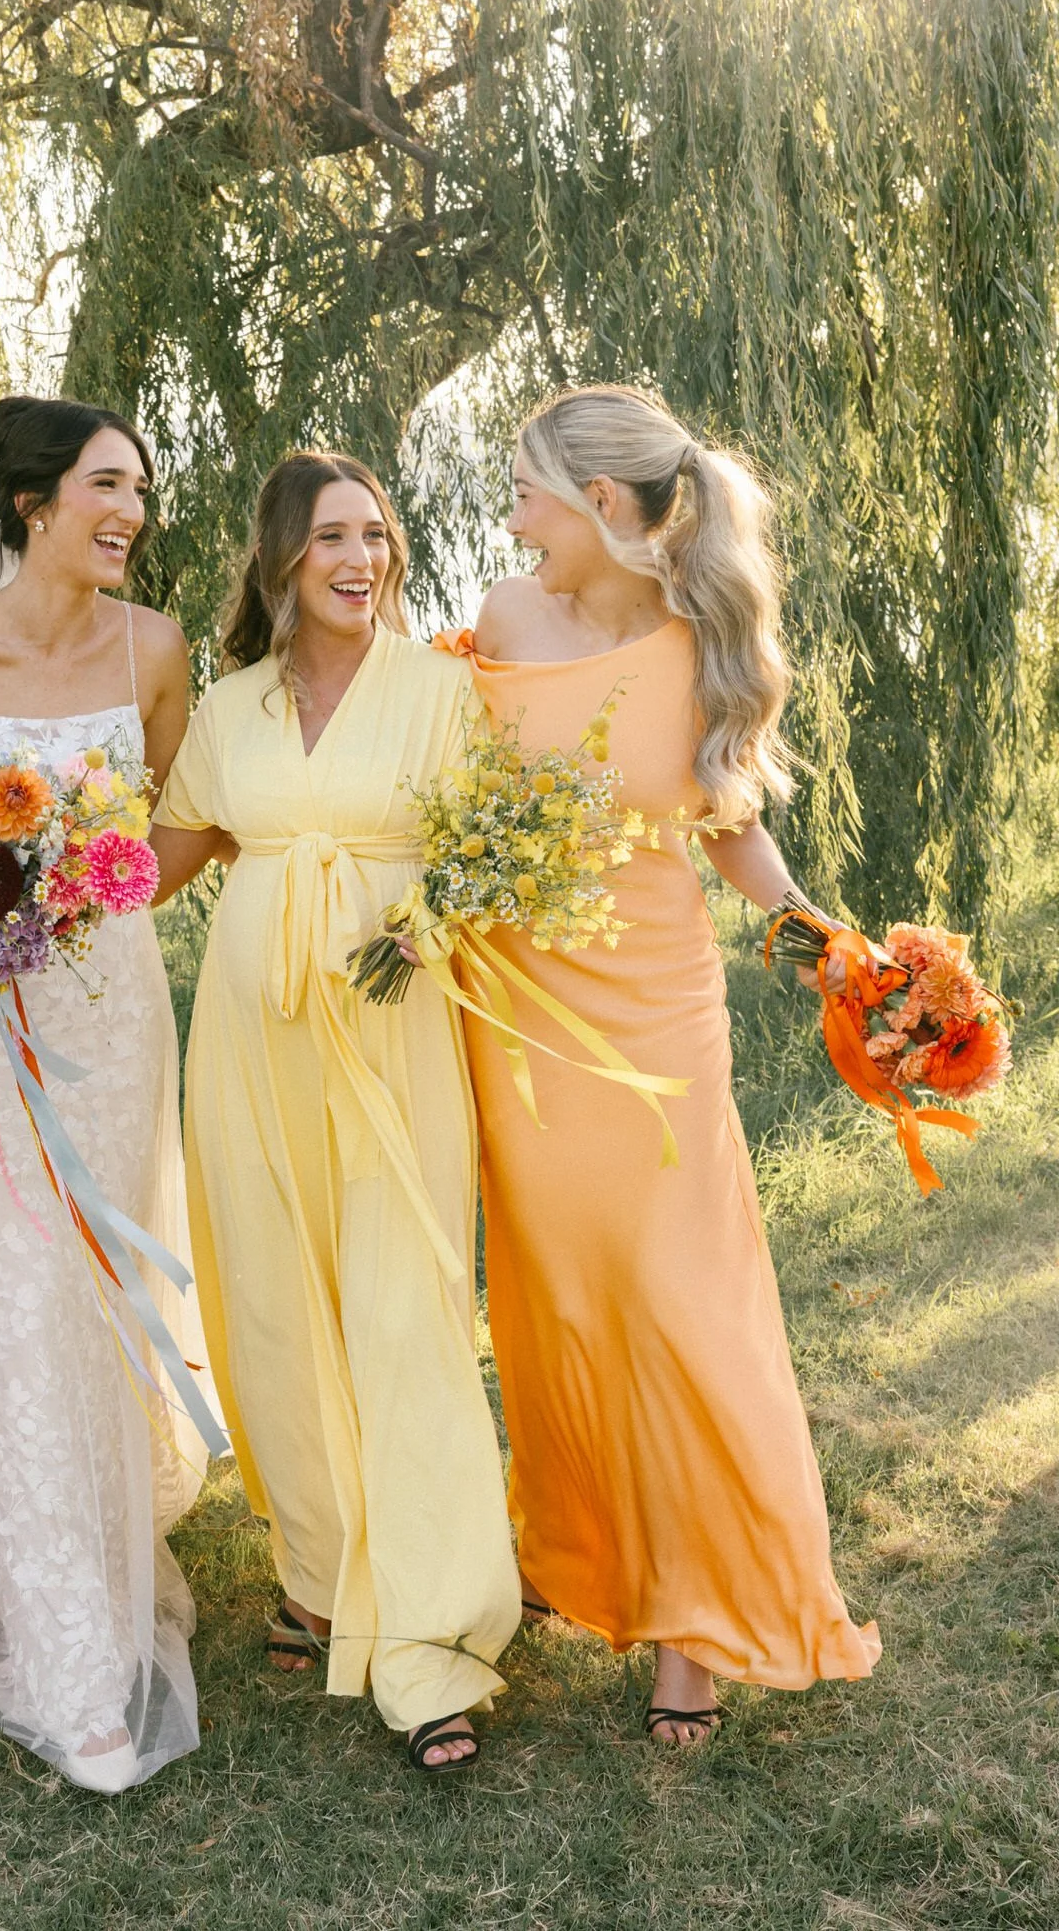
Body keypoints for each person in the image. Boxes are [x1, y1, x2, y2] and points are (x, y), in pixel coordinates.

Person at [444, 383, 880, 1745]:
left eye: (527, 491)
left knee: (678, 1299)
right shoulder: (504, 621)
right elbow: (445, 777)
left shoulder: (705, 645)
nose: (510, 516)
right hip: (513, 1002)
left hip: (654, 1009)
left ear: (605, 506)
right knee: (558, 1293)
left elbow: (730, 818)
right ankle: (582, 1554)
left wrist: (817, 933)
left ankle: (694, 1624)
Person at [149, 453, 521, 1777]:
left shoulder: (441, 693)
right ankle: (321, 1574)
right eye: (331, 541)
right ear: (282, 562)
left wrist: (427, 926)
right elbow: (153, 862)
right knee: (271, 1306)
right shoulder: (231, 707)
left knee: (404, 1309)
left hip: (393, 1033)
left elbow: (494, 854)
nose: (360, 561)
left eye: (377, 537)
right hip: (251, 1048)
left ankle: (428, 1640)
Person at [0, 395, 207, 1794]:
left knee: (87, 1285)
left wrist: (81, 901)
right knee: (8, 1296)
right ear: (31, 503)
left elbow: (171, 832)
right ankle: (71, 1668)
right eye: (107, 487)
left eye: (140, 490)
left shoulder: (159, 649)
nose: (130, 513)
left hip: (115, 1016)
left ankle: (78, 1539)